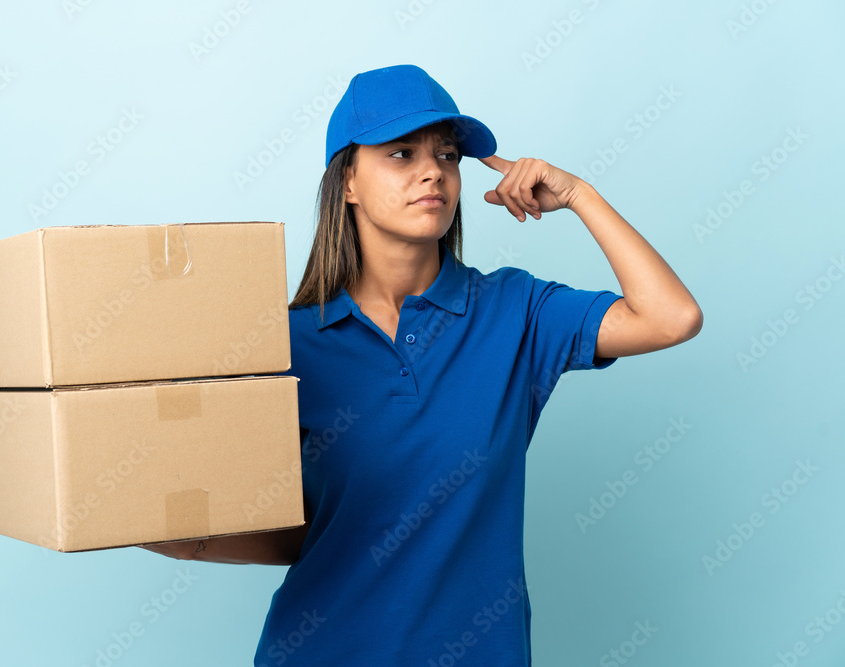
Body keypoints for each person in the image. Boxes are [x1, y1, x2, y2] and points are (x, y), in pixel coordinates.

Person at [141, 64, 703, 665]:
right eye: (402, 153)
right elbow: (319, 527)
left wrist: (580, 196)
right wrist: (190, 539)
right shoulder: (285, 345)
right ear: (347, 182)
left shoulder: (516, 312)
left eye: (448, 155)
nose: (433, 170)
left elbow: (672, 318)